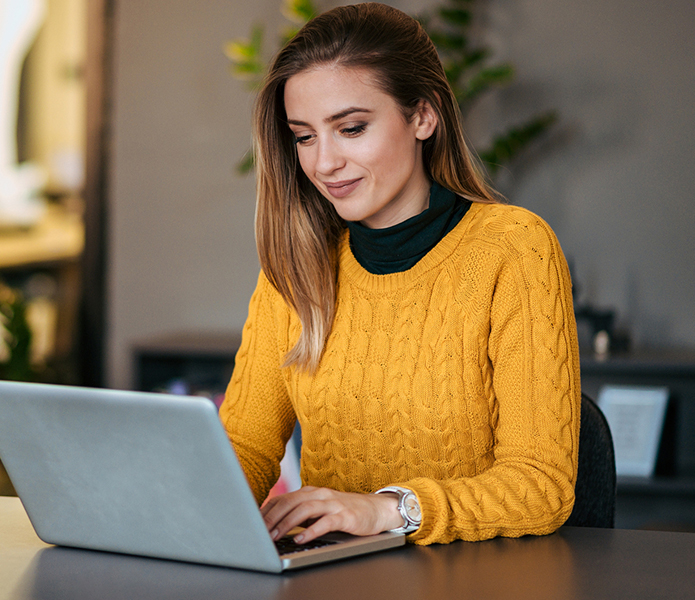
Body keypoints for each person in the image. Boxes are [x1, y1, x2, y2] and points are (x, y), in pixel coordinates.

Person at [218, 2, 580, 546]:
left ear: (422, 117)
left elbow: (540, 486)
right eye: (305, 136)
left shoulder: (513, 248)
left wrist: (386, 510)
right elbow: (244, 447)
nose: (323, 162)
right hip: (330, 580)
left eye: (351, 128)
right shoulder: (296, 268)